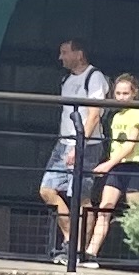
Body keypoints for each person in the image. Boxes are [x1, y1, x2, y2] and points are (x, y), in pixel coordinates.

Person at [37, 36, 110, 262]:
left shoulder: (94, 77)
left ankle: (78, 250)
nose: (61, 57)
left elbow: (94, 115)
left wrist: (80, 145)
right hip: (64, 143)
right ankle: (70, 239)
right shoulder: (66, 80)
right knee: (47, 190)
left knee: (81, 197)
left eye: (64, 52)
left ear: (79, 54)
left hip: (86, 146)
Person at [92, 69, 139, 258]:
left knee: (137, 211)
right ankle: (91, 252)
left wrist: (107, 164)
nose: (121, 97)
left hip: (133, 165)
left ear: (134, 93)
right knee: (105, 206)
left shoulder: (136, 114)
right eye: (118, 93)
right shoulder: (116, 116)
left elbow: (130, 145)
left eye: (125, 93)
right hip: (117, 166)